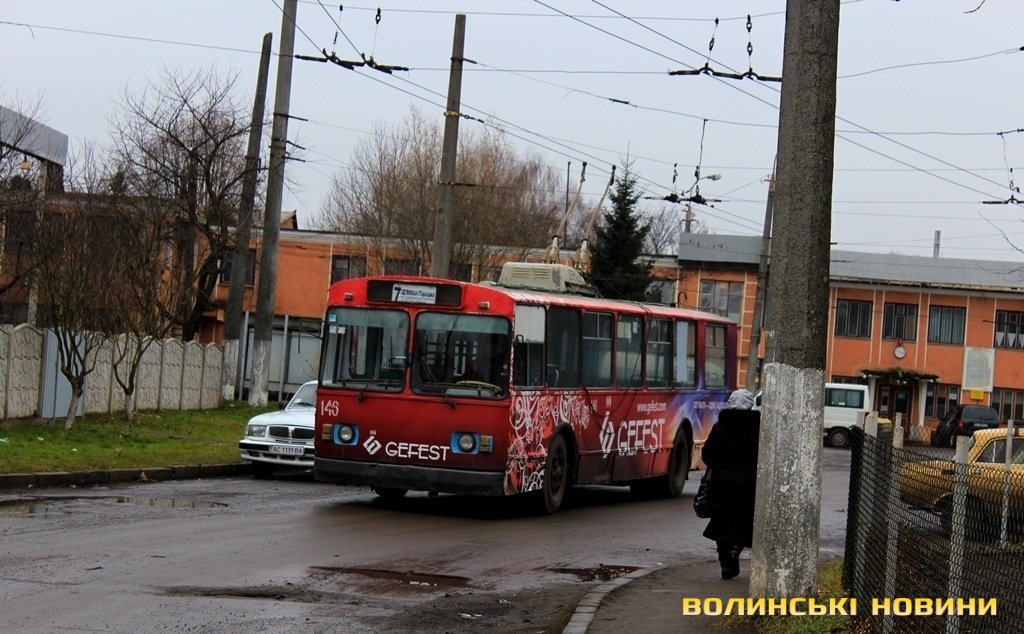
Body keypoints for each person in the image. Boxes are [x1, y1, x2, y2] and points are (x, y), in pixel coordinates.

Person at [701, 388, 761, 580]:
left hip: (721, 484)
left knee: (722, 522)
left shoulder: (720, 426)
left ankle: (725, 561)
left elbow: (707, 454)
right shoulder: (759, 428)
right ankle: (734, 550)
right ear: (750, 406)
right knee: (743, 521)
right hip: (749, 484)